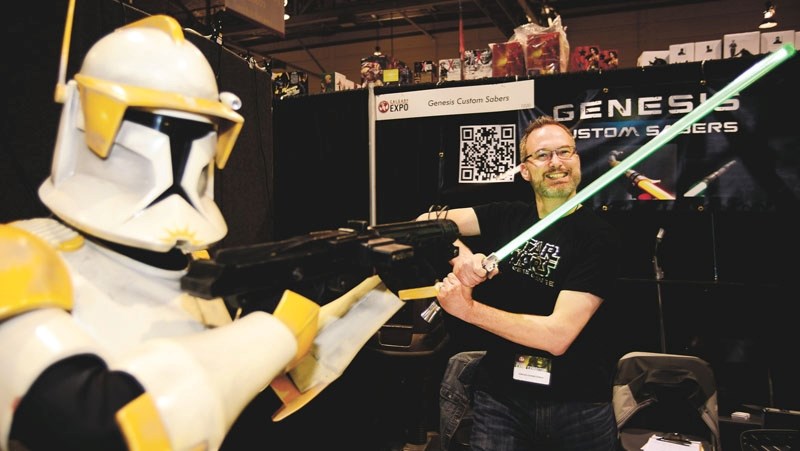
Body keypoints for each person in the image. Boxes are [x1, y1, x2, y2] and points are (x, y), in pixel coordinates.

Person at [1, 13, 402, 451]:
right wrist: (271, 334)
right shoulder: (24, 256)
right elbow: (88, 428)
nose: (179, 151)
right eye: (161, 125)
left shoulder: (195, 268)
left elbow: (251, 393)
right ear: (88, 116)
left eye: (197, 130)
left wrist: (381, 292)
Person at [423, 116, 622, 450]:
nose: (556, 162)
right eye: (542, 155)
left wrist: (467, 309)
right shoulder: (508, 216)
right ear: (526, 170)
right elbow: (427, 222)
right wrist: (464, 258)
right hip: (501, 400)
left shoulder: (600, 238)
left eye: (564, 152)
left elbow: (556, 337)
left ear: (577, 160)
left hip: (578, 406)